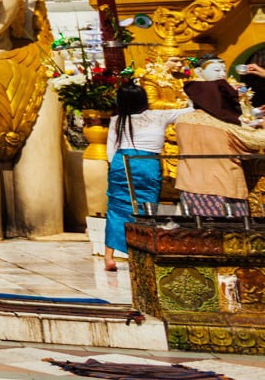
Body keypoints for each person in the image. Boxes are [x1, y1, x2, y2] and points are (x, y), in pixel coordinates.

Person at [173, 78, 263, 220]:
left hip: (190, 185)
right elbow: (257, 141)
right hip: (222, 187)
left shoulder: (181, 120)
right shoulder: (223, 126)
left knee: (198, 232)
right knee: (229, 234)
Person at [103, 80, 172, 262]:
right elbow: (188, 110)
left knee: (116, 208)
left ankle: (109, 256)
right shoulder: (159, 116)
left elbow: (110, 149)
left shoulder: (117, 120)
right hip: (147, 164)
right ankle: (142, 252)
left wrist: (115, 167)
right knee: (146, 208)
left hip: (122, 162)